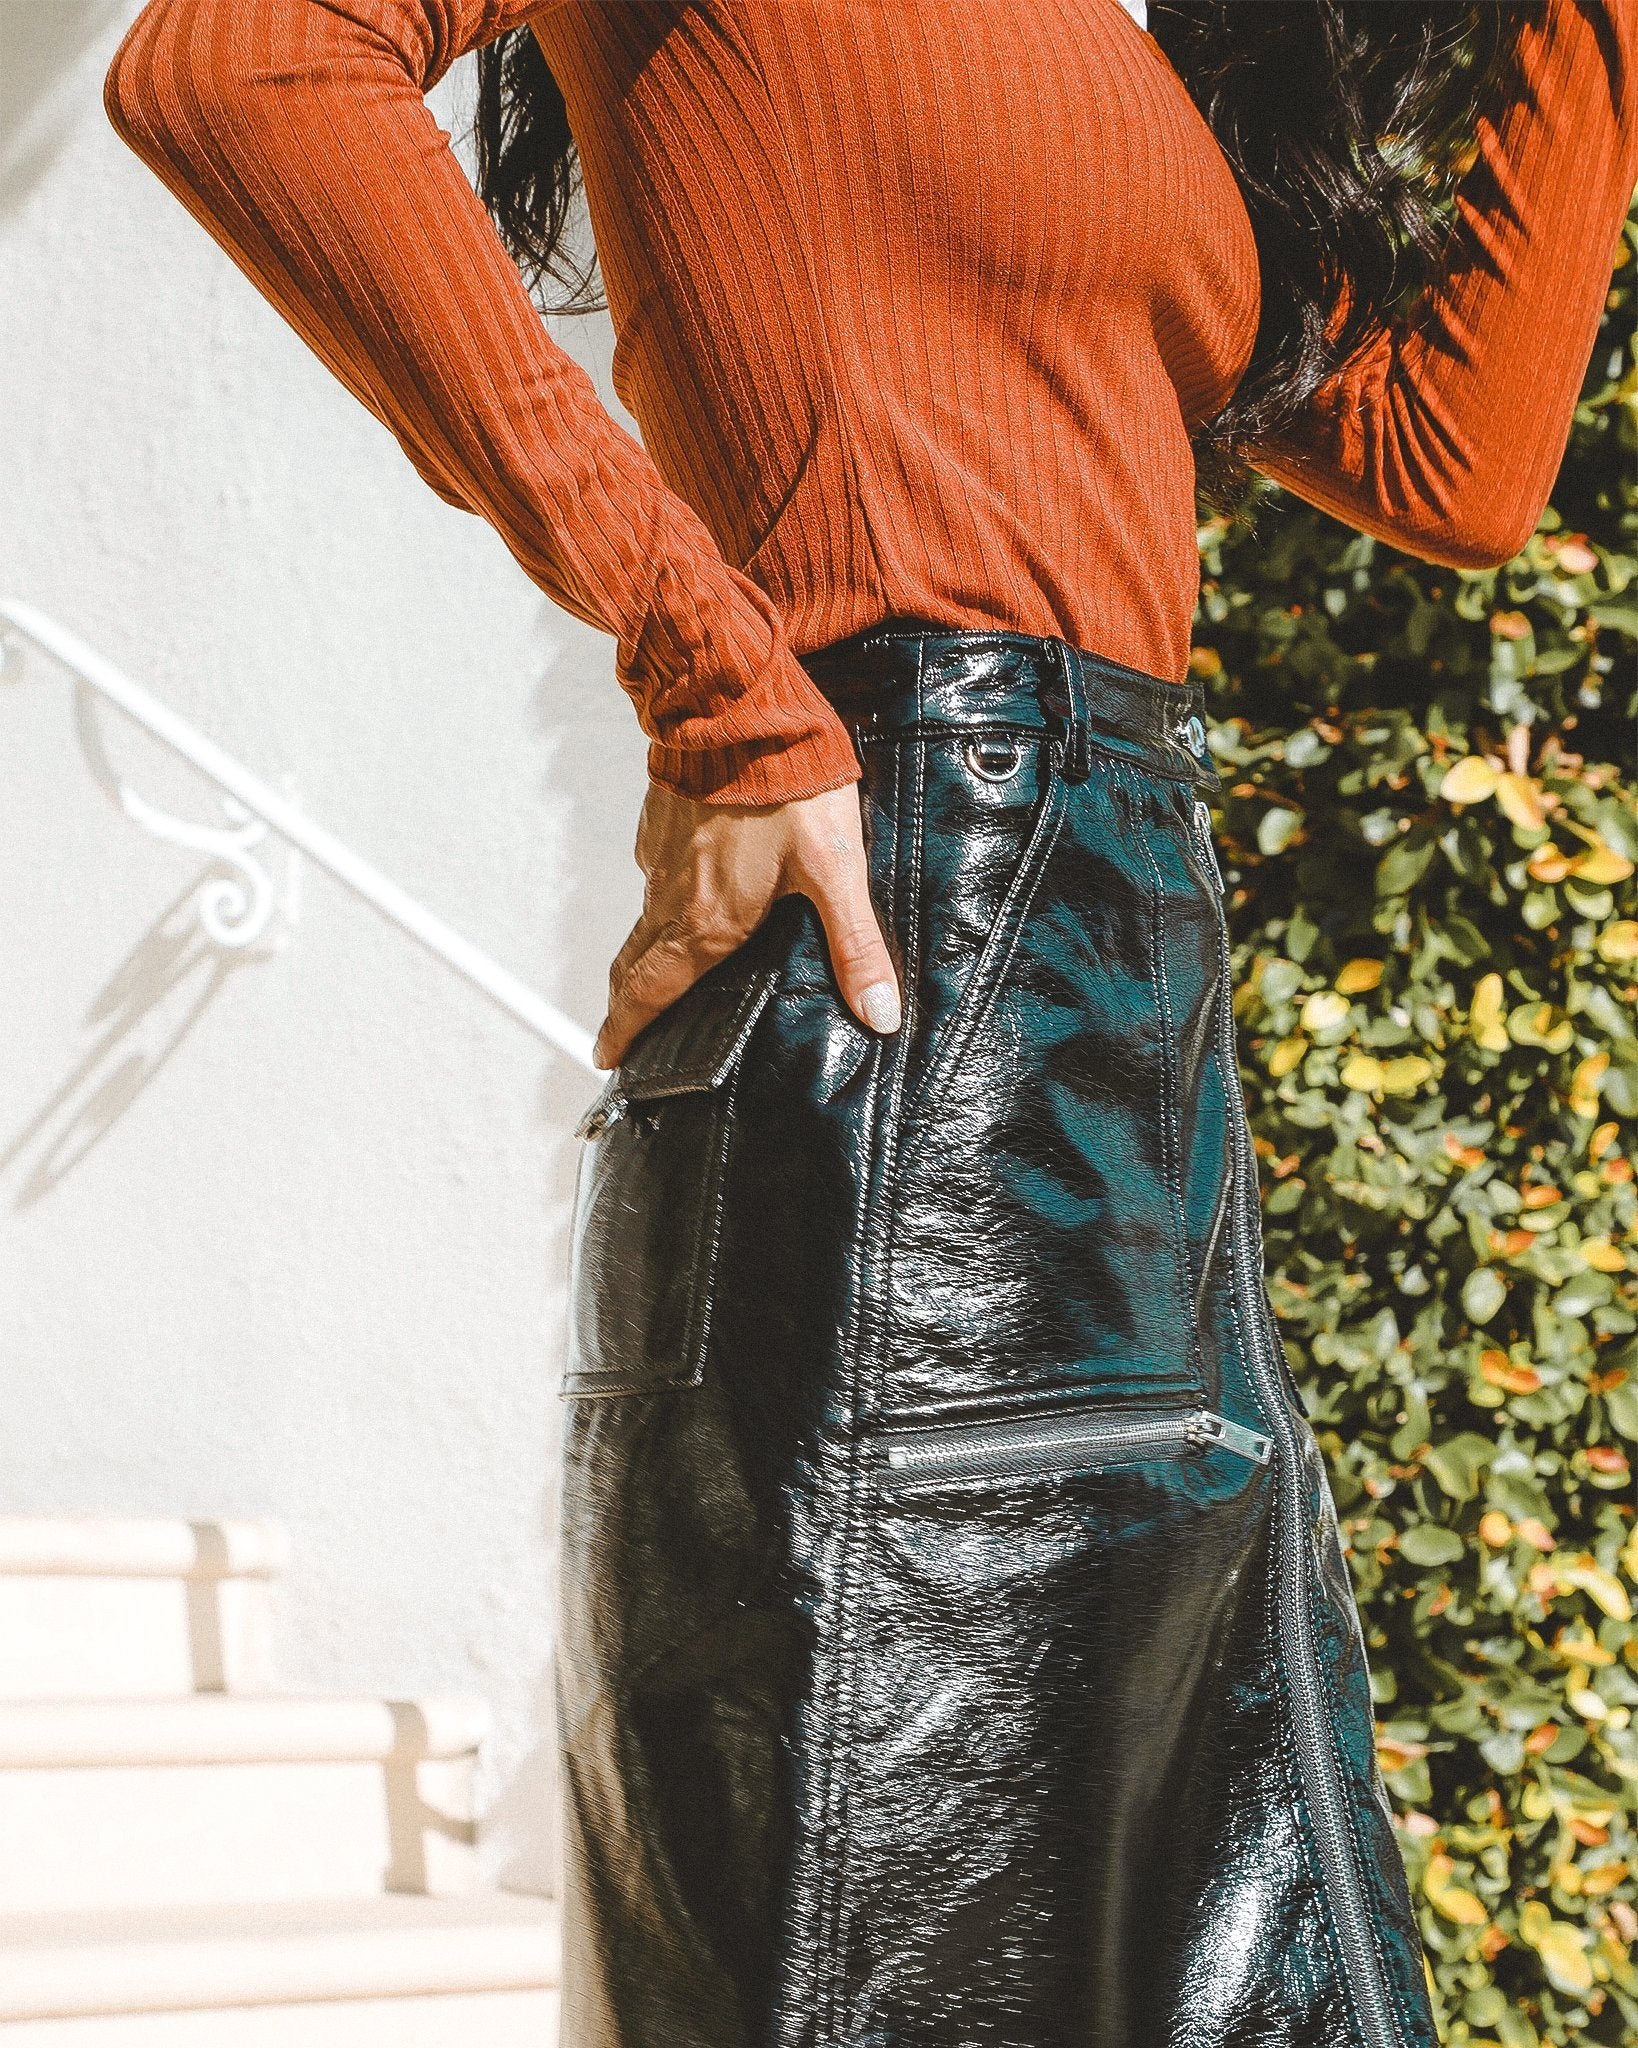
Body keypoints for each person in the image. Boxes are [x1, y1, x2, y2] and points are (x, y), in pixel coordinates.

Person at [102, 3, 1637, 2042]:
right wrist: (711, 667)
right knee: (879, 1965)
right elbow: (236, 67)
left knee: (1249, 1965)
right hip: (913, 958)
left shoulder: (1142, 47)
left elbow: (1451, 462)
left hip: (1129, 1004)